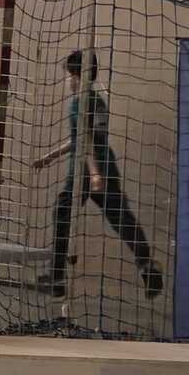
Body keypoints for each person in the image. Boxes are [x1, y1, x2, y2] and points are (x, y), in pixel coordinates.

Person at [33, 49, 161, 299]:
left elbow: (85, 140)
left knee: (61, 213)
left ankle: (56, 278)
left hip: (84, 170)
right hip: (107, 165)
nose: (68, 81)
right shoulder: (97, 100)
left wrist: (93, 174)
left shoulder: (78, 102)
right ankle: (148, 266)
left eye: (69, 76)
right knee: (122, 218)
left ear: (78, 76)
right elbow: (86, 136)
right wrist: (52, 156)